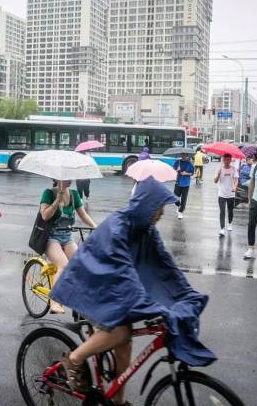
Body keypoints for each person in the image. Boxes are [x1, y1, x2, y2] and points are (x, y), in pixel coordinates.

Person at [51, 177, 216, 404]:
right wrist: (148, 304)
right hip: (89, 284)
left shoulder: (147, 229)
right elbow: (123, 272)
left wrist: (186, 294)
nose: (162, 213)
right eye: (159, 208)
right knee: (121, 333)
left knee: (124, 344)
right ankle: (74, 358)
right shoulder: (119, 227)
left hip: (111, 284)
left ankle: (117, 400)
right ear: (147, 205)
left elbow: (166, 266)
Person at [39, 179, 97, 314]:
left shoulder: (74, 194)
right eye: (66, 177)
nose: (70, 180)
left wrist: (96, 227)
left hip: (67, 237)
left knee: (79, 265)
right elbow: (45, 216)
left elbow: (83, 214)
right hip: (51, 238)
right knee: (63, 266)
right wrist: (56, 201)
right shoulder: (48, 193)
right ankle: (54, 302)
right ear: (57, 178)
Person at [214, 153, 239, 236]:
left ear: (231, 160)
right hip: (221, 194)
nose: (227, 161)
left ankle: (229, 223)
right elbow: (215, 181)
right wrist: (218, 174)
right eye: (225, 160)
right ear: (223, 160)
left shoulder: (233, 169)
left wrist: (235, 187)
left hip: (231, 194)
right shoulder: (219, 169)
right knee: (222, 211)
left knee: (230, 210)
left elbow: (236, 180)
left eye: (228, 160)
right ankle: (222, 229)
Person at [173, 152, 194, 219]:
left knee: (184, 199)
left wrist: (186, 173)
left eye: (184, 154)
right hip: (178, 182)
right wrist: (177, 170)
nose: (183, 156)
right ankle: (179, 205)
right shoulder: (178, 162)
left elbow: (192, 173)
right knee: (174, 197)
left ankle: (180, 212)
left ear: (187, 155)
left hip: (186, 184)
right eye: (182, 154)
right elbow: (173, 169)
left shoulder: (190, 164)